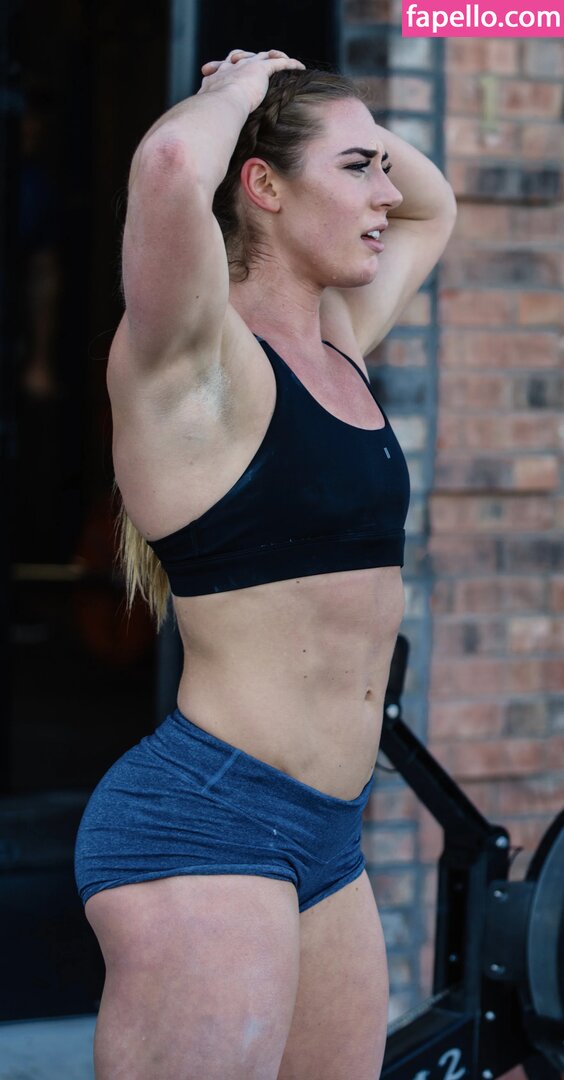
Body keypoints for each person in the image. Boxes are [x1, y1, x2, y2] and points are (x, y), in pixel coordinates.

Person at [74, 48, 456, 1080]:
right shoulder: (192, 361)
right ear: (264, 187)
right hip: (209, 824)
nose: (386, 193)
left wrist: (324, 115)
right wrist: (241, 89)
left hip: (329, 836)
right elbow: (169, 168)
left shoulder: (339, 342)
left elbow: (436, 206)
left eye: (380, 165)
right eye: (357, 169)